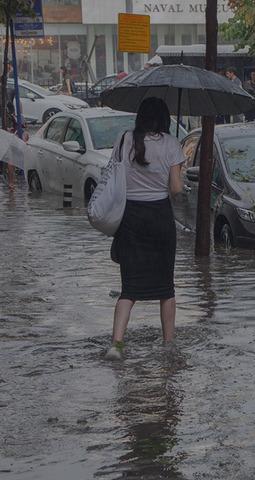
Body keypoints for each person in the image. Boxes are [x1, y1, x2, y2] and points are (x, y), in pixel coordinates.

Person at [104, 97, 184, 361]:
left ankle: (116, 344)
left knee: (130, 288)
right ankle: (169, 345)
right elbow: (175, 189)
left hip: (130, 218)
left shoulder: (125, 139)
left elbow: (114, 176)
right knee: (166, 287)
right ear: (164, 118)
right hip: (159, 218)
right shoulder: (172, 145)